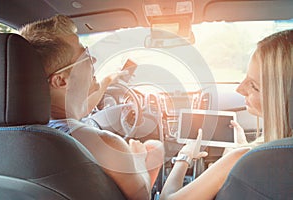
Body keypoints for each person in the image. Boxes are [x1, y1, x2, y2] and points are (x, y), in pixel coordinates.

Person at [19, 15, 164, 200]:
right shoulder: (103, 144)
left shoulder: (15, 134)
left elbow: (79, 111)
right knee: (155, 147)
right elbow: (142, 195)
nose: (93, 60)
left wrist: (105, 83)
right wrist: (140, 159)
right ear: (61, 80)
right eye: (85, 54)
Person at [159, 29, 293, 200]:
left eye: (254, 86)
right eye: (245, 77)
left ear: (284, 97)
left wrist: (184, 156)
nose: (239, 89)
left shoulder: (243, 160)